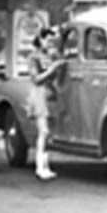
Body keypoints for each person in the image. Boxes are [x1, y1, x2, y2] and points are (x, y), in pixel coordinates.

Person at [27, 26, 63, 181]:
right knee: (43, 131)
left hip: (50, 94)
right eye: (47, 40)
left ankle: (45, 165)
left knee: (49, 133)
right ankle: (39, 167)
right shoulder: (33, 57)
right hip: (39, 94)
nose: (49, 44)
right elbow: (36, 79)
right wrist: (52, 69)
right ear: (40, 39)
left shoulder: (50, 56)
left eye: (51, 41)